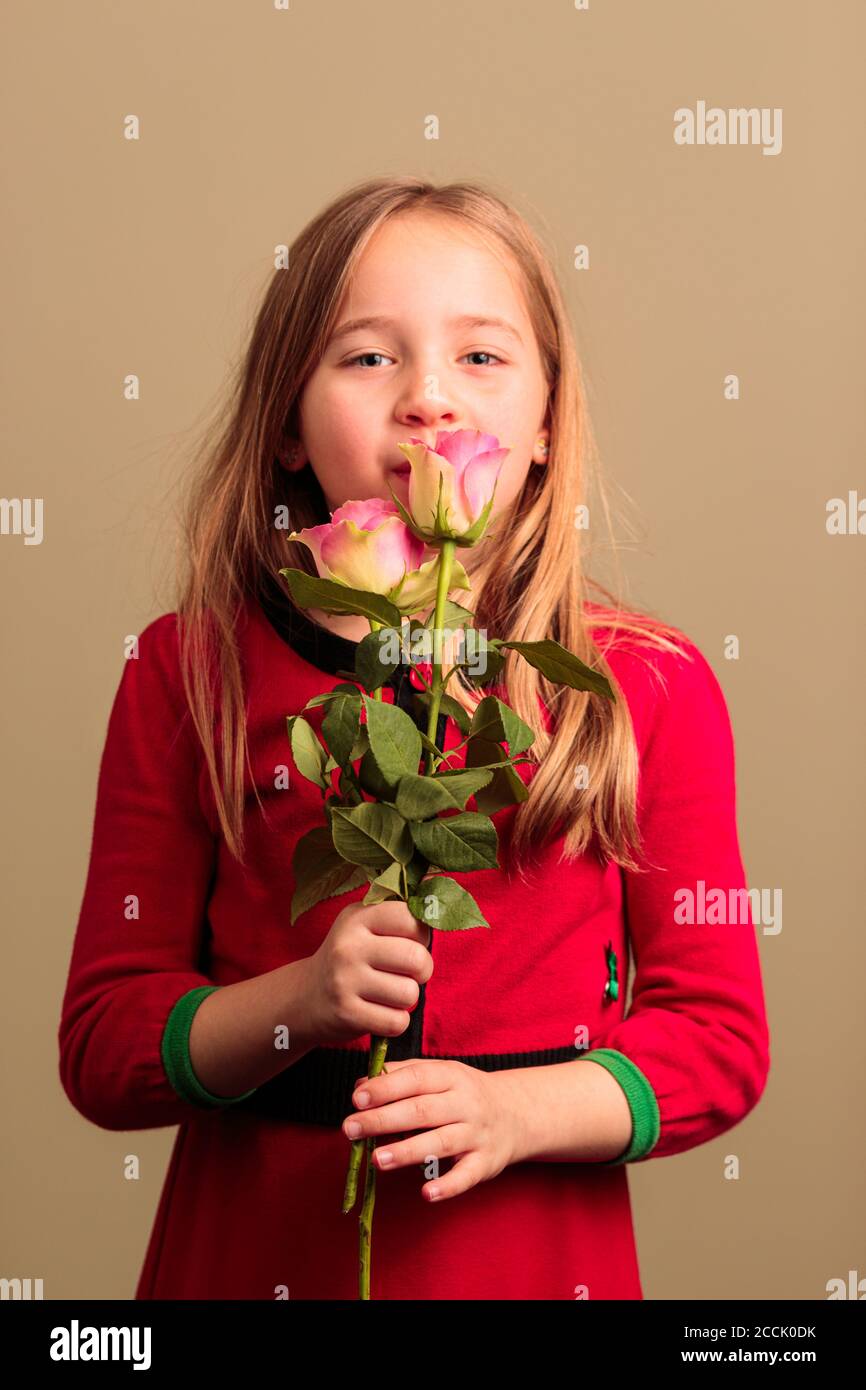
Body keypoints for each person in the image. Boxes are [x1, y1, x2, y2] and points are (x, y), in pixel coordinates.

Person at [58, 176, 771, 1300]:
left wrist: (518, 1109)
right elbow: (104, 1046)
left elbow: (718, 1038)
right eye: (366, 357)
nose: (427, 399)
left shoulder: (646, 684)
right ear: (287, 425)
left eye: (480, 358)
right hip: (250, 1259)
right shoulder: (182, 671)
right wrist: (293, 1006)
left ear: (543, 426)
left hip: (529, 1264)